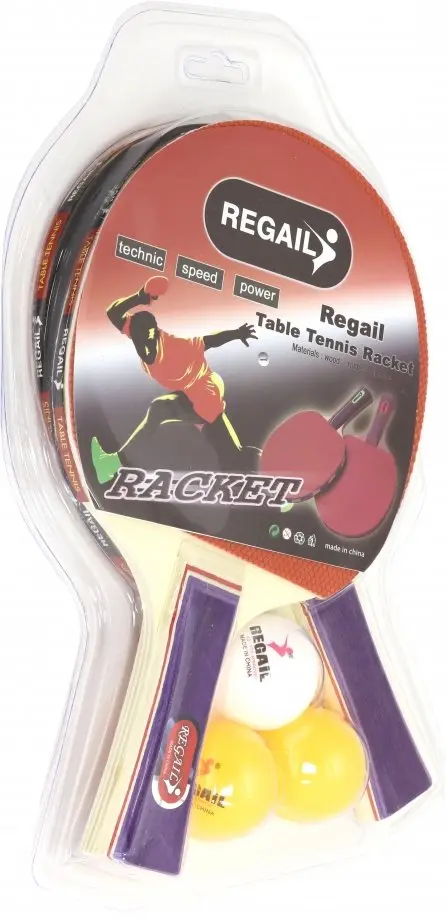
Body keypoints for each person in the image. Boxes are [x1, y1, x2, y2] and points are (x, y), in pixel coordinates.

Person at [91, 276, 258, 483]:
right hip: (189, 391)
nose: (146, 349)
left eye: (149, 342)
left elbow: (210, 341)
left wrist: (237, 333)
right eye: (141, 342)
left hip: (205, 392)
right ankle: (111, 465)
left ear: (155, 335)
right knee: (161, 410)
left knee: (234, 456)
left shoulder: (178, 348)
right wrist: (139, 297)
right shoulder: (137, 329)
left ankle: (272, 479)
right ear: (132, 333)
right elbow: (112, 312)